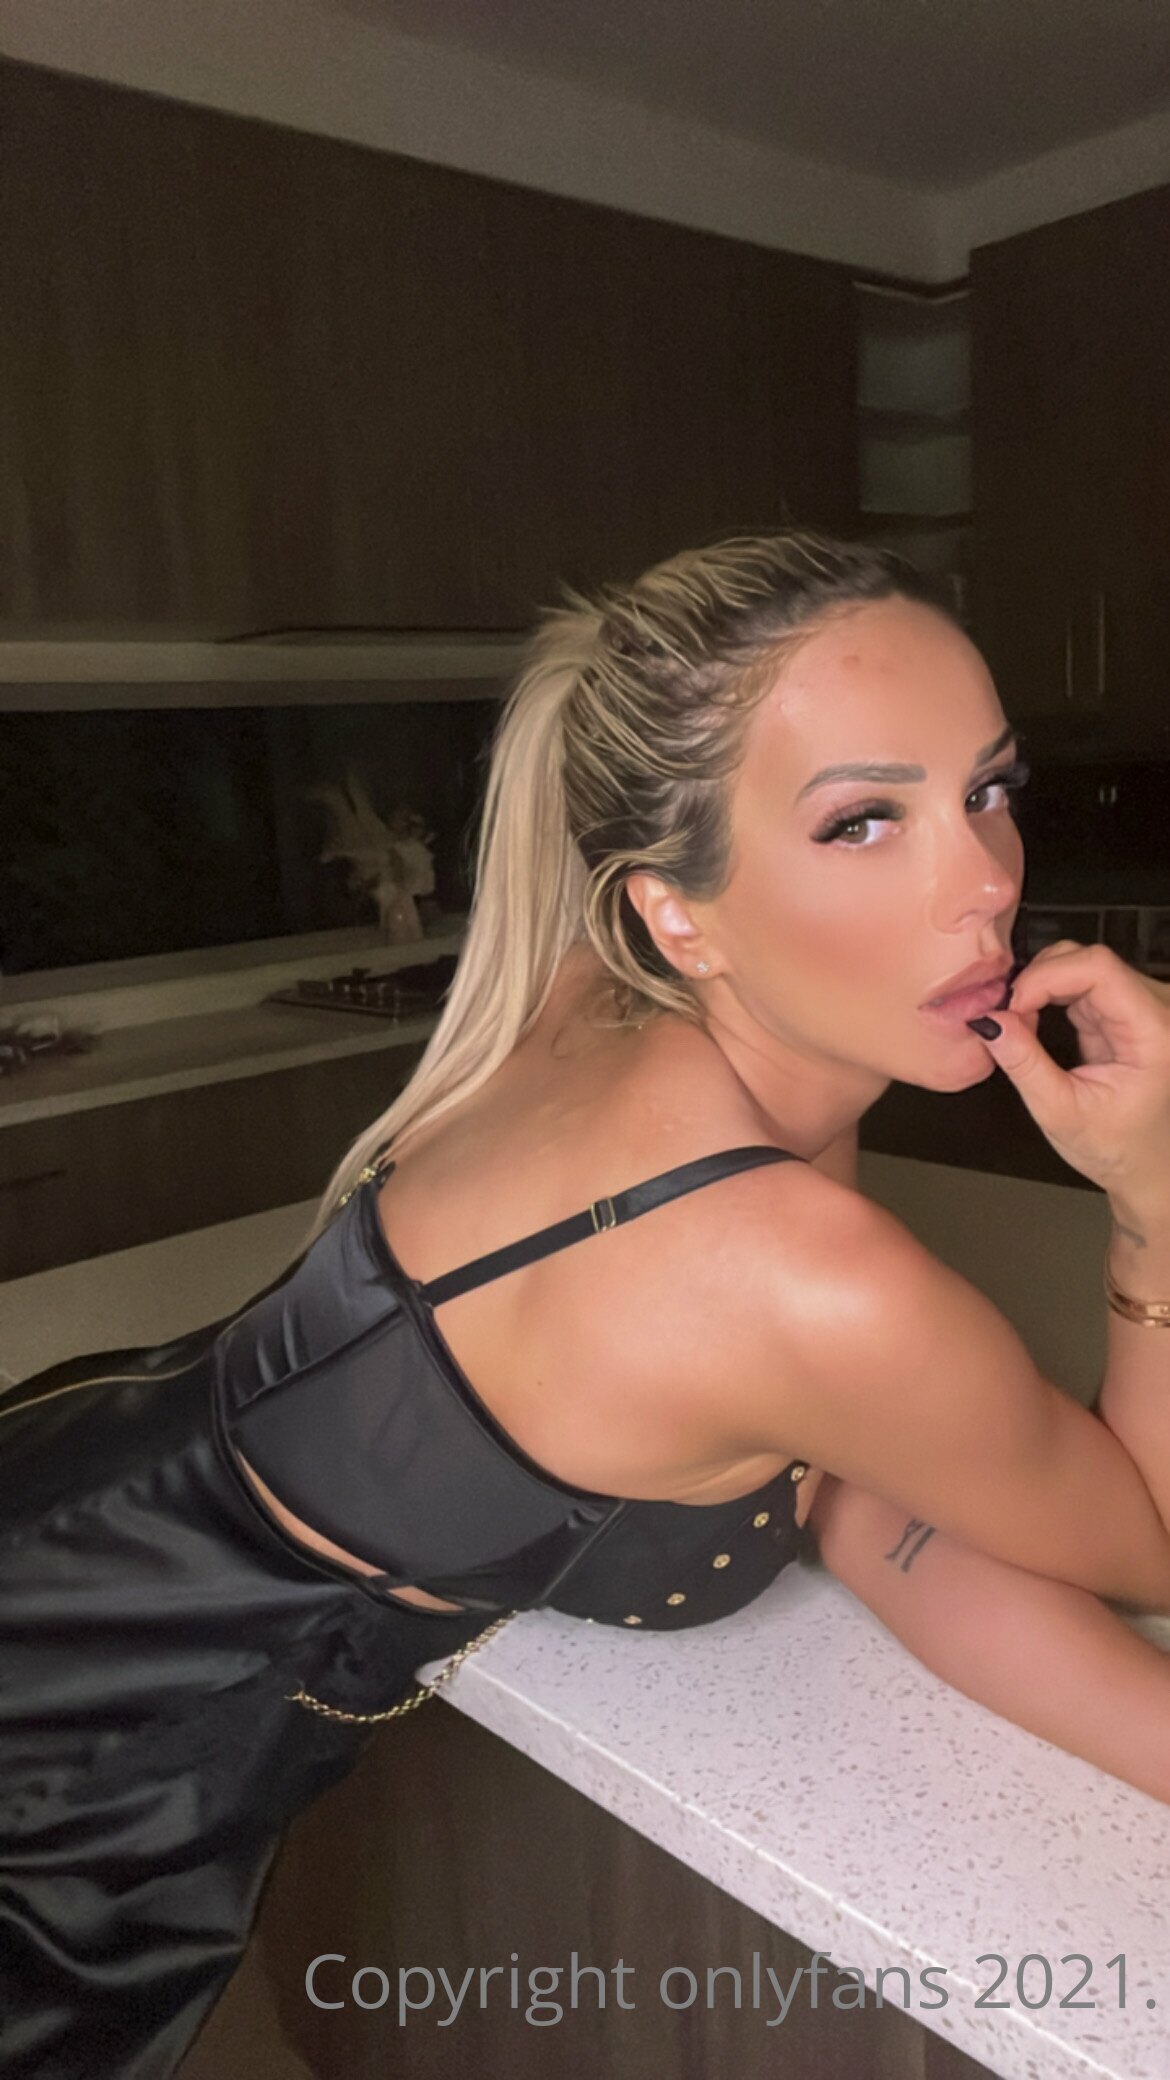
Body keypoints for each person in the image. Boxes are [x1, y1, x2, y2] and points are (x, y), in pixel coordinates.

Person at [3, 530, 1170, 2079]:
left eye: (988, 789)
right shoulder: (792, 1269)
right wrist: (1152, 1195)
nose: (986, 884)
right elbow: (1143, 1531)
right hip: (92, 1733)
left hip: (77, 1478)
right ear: (675, 912)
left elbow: (858, 1486)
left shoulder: (601, 1002)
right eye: (862, 821)